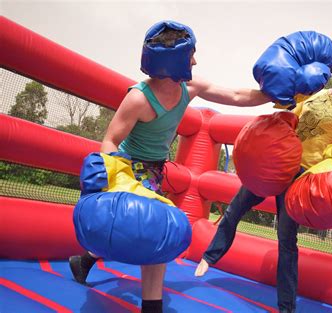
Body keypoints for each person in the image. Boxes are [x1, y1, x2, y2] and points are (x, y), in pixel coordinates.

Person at [68, 20, 270, 313]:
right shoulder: (138, 97)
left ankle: (84, 259)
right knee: (154, 233)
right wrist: (110, 182)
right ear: (174, 59)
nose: (195, 60)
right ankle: (153, 306)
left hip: (154, 171)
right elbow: (111, 139)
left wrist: (272, 94)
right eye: (191, 55)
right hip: (126, 168)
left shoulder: (190, 87)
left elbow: (236, 96)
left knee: (140, 230)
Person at [195, 54, 332, 313]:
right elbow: (287, 119)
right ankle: (209, 257)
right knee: (235, 209)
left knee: (286, 241)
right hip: (277, 165)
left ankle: (286, 307)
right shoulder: (314, 92)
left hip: (301, 178)